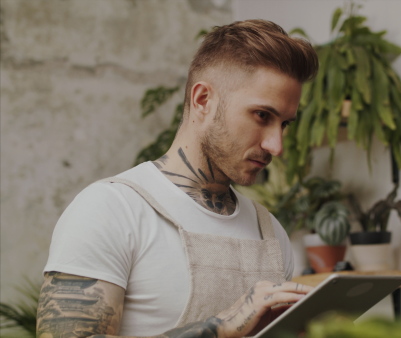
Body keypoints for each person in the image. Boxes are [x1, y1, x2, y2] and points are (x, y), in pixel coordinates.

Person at [36, 19, 319, 338]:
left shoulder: (270, 232)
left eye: (285, 124)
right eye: (262, 116)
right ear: (203, 100)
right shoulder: (110, 209)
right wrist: (217, 329)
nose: (275, 145)